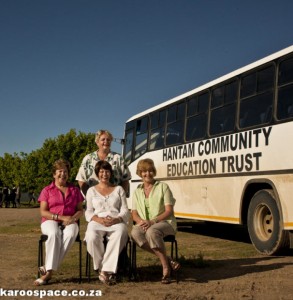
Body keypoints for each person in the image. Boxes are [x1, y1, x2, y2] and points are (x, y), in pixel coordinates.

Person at [34, 159, 84, 286]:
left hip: (70, 220)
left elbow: (80, 210)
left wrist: (72, 219)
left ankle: (47, 268)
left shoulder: (75, 190)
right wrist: (61, 217)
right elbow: (43, 212)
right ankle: (49, 273)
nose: (63, 174)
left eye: (65, 171)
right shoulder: (47, 190)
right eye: (60, 171)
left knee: (72, 233)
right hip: (50, 220)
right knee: (54, 233)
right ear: (54, 174)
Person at [131, 158, 180, 284]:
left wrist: (152, 222)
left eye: (150, 170)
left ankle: (165, 269)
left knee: (152, 232)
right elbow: (134, 213)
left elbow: (168, 211)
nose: (148, 174)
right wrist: (141, 222)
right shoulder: (137, 191)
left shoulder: (163, 187)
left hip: (165, 223)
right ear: (140, 173)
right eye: (144, 171)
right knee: (135, 233)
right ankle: (168, 260)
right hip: (145, 224)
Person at [84, 160, 129, 285]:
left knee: (121, 232)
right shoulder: (91, 191)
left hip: (116, 220)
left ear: (111, 173)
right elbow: (88, 212)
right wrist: (98, 219)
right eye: (102, 171)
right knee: (91, 236)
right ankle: (103, 268)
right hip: (97, 220)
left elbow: (125, 210)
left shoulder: (119, 189)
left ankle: (104, 271)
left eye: (107, 171)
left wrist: (117, 219)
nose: (104, 174)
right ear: (97, 174)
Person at [76, 129, 131, 196]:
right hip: (94, 201)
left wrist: (121, 197)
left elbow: (125, 179)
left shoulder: (119, 158)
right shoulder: (88, 159)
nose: (106, 142)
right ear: (97, 142)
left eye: (108, 140)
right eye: (103, 139)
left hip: (114, 202)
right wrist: (88, 196)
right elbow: (81, 180)